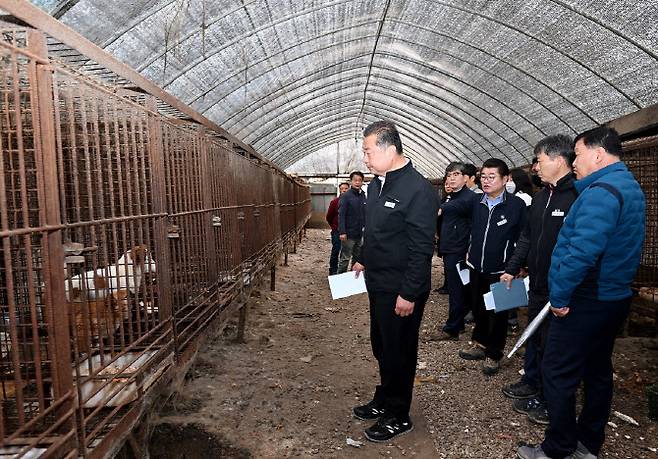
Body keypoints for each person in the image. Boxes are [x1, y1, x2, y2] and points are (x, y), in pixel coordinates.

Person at [517, 126, 645, 459]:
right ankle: (588, 442)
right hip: (613, 297)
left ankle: (558, 448)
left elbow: (582, 251)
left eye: (580, 152)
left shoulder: (601, 191)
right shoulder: (628, 186)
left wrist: (559, 297)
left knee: (557, 371)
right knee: (597, 370)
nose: (574, 161)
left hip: (587, 297)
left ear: (598, 153)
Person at [350, 120, 438, 442]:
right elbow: (373, 232)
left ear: (389, 149)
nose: (365, 159)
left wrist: (409, 292)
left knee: (399, 350)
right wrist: (363, 257)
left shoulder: (417, 190)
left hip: (401, 289)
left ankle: (399, 414)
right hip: (379, 282)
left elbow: (421, 247)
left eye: (368, 152)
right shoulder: (377, 185)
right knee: (381, 345)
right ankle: (385, 398)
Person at [499, 135, 577, 427]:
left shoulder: (577, 196)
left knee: (554, 346)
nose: (535, 167)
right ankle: (531, 381)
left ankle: (548, 398)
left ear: (558, 160)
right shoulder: (543, 195)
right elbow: (528, 236)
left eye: (540, 160)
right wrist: (514, 266)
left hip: (561, 286)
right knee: (534, 335)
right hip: (538, 283)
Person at [458, 158, 527, 375]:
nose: (486, 181)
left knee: (499, 313)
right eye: (483, 177)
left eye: (492, 177)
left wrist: (518, 266)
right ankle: (480, 343)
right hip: (477, 266)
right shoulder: (477, 203)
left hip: (502, 270)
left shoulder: (516, 206)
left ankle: (494, 353)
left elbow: (524, 237)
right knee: (478, 308)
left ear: (505, 179)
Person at [430, 162, 478, 340]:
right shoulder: (452, 197)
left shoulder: (468, 198)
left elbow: (443, 211)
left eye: (456, 174)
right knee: (457, 288)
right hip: (450, 248)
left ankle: (452, 328)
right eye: (449, 175)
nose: (451, 178)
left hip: (460, 250)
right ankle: (458, 323)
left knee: (457, 290)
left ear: (466, 178)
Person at [337, 171, 366, 273]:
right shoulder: (346, 196)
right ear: (351, 182)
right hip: (348, 234)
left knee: (357, 259)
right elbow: (341, 215)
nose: (357, 183)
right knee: (345, 258)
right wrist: (342, 232)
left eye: (360, 180)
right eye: (355, 180)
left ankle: (353, 283)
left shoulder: (363, 195)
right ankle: (339, 282)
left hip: (359, 233)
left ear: (362, 182)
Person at [326, 182, 350, 275]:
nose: (344, 190)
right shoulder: (335, 202)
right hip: (337, 231)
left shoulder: (351, 202)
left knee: (345, 252)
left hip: (348, 231)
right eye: (342, 188)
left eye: (346, 188)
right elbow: (329, 217)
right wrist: (334, 226)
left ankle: (342, 272)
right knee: (336, 250)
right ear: (339, 190)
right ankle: (333, 271)